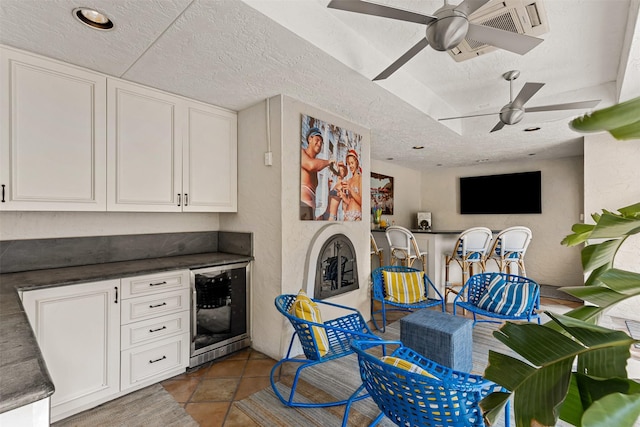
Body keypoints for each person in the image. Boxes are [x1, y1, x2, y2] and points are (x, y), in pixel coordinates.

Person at [300, 127, 333, 220]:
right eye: (317, 140)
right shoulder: (301, 152)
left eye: (321, 142)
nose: (319, 144)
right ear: (310, 139)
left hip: (310, 209)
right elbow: (311, 165)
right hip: (302, 206)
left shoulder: (316, 164)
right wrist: (329, 162)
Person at [340, 149, 362, 221]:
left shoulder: (360, 179)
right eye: (349, 164)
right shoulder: (349, 180)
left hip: (357, 216)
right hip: (348, 214)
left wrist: (350, 189)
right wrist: (343, 197)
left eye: (352, 163)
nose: (350, 166)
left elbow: (361, 201)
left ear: (356, 162)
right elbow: (349, 201)